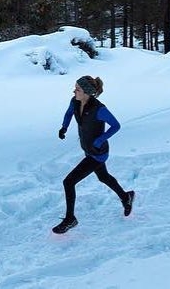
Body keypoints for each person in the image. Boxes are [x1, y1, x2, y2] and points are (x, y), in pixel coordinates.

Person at [52, 75, 135, 234]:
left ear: (87, 92)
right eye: (75, 87)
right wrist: (64, 128)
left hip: (98, 153)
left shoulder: (99, 109)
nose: (74, 91)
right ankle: (126, 197)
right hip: (88, 149)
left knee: (68, 182)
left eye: (77, 89)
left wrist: (99, 140)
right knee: (103, 177)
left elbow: (116, 126)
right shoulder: (75, 101)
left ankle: (70, 219)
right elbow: (69, 113)